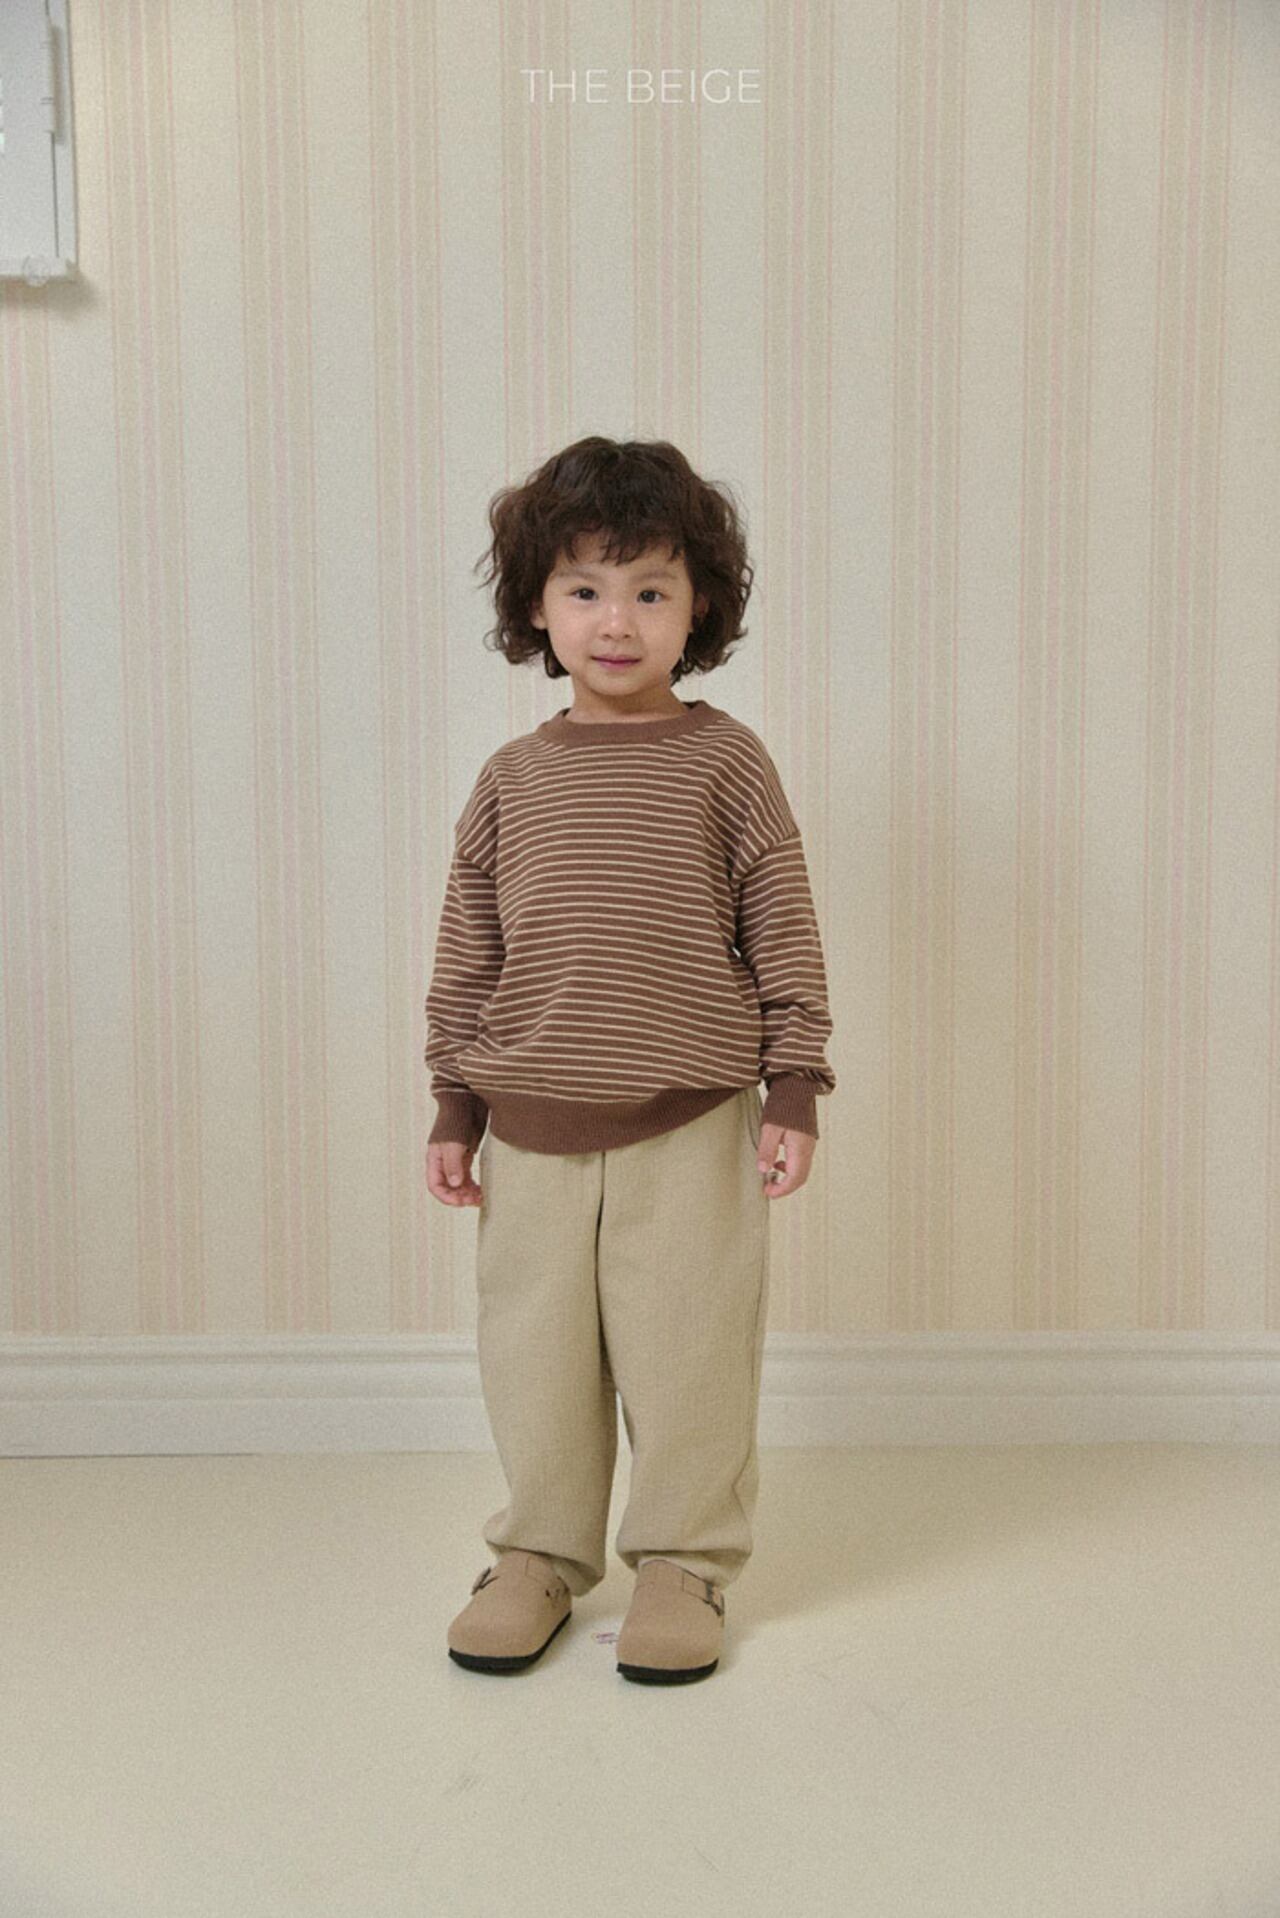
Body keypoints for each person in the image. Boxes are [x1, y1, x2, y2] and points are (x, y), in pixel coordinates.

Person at [424, 435, 836, 1684]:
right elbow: (468, 952)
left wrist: (793, 1084)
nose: (616, 620)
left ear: (696, 607)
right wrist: (452, 1103)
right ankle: (538, 1555)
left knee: (689, 1354)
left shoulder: (724, 763)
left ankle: (683, 1562)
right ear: (537, 609)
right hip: (530, 1128)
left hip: (689, 1119)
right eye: (584, 589)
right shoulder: (510, 780)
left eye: (649, 589)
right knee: (535, 1359)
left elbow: (781, 924)